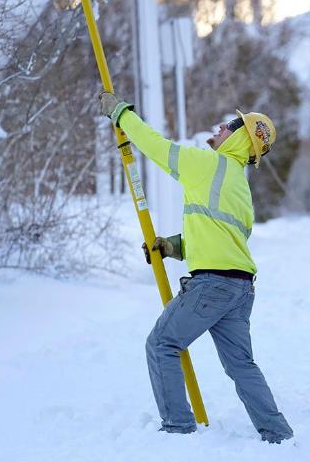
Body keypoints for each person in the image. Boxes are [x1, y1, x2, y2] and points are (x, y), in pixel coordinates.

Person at [98, 92, 293, 443]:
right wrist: (174, 245)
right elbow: (221, 239)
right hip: (240, 288)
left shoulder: (207, 164)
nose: (221, 125)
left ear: (240, 137)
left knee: (162, 344)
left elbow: (155, 147)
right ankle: (278, 433)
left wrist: (121, 114)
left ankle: (177, 428)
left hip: (212, 285)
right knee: (241, 366)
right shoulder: (239, 186)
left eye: (232, 124)